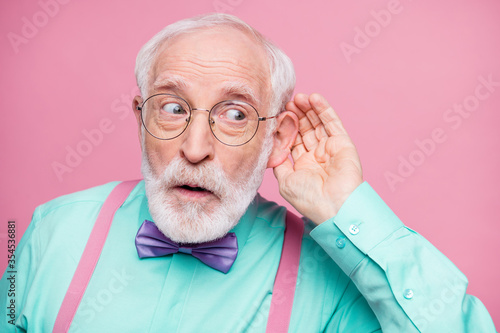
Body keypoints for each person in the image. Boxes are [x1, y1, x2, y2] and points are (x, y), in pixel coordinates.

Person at [0, 13, 496, 332]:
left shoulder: (334, 278)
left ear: (275, 138)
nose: (194, 150)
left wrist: (348, 210)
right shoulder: (47, 234)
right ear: (141, 118)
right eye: (173, 108)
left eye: (234, 115)